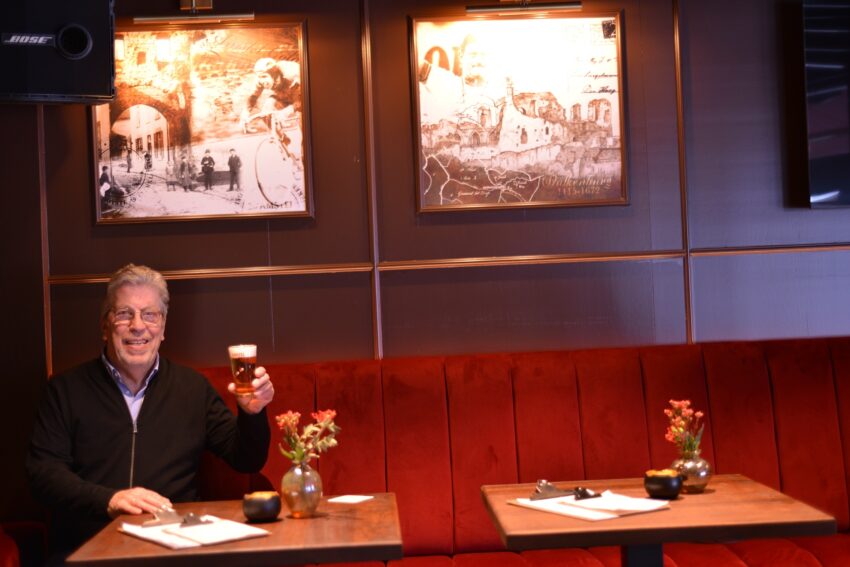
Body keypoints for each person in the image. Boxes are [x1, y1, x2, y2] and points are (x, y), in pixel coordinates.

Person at [27, 264, 275, 557]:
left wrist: (252, 414)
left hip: (175, 549)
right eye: (124, 313)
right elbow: (43, 474)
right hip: (90, 549)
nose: (137, 326)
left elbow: (247, 459)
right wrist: (109, 500)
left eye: (150, 315)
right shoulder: (65, 390)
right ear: (105, 326)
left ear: (163, 327)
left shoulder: (193, 388)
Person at [239, 57, 303, 164]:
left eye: (264, 76)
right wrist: (245, 113)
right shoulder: (261, 80)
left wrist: (287, 111)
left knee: (305, 136)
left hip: (302, 97)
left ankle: (304, 163)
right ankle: (284, 140)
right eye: (260, 77)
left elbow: (304, 98)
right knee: (267, 111)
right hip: (283, 96)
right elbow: (253, 97)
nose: (262, 81)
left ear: (274, 74)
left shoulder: (291, 73)